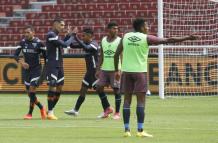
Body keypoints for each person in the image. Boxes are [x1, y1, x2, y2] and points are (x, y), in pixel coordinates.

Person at [114, 18, 199, 137]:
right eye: (146, 26)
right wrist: (188, 38)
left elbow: (116, 53)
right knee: (141, 102)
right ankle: (140, 130)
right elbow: (169, 40)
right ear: (141, 27)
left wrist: (116, 70)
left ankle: (127, 130)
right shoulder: (146, 38)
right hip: (140, 73)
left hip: (126, 72)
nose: (148, 28)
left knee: (127, 101)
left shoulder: (125, 36)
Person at [64, 27, 100, 116]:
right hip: (89, 71)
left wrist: (75, 37)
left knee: (99, 90)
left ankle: (108, 108)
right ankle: (75, 110)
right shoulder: (85, 43)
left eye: (84, 36)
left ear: (90, 36)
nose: (82, 37)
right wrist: (69, 35)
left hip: (95, 71)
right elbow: (72, 45)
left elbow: (87, 48)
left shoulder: (94, 44)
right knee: (83, 89)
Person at [14, 25, 47, 120]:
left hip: (37, 70)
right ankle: (41, 107)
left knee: (32, 89)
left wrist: (46, 72)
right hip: (26, 71)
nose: (26, 34)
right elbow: (15, 55)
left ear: (33, 33)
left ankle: (29, 113)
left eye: (28, 32)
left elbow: (46, 58)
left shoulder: (39, 43)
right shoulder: (22, 42)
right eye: (25, 32)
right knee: (30, 93)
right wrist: (22, 63)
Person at [46, 17, 75, 120]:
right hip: (52, 64)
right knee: (52, 86)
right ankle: (50, 113)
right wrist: (72, 35)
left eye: (64, 25)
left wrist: (68, 35)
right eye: (61, 25)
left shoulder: (56, 36)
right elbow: (65, 45)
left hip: (59, 64)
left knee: (59, 87)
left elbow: (62, 44)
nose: (63, 27)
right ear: (55, 24)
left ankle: (50, 109)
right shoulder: (50, 35)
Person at [95, 21, 122, 119]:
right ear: (108, 29)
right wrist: (98, 69)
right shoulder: (103, 40)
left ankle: (117, 113)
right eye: (114, 28)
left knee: (116, 90)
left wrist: (120, 70)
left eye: (117, 28)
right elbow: (101, 55)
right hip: (104, 69)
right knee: (98, 88)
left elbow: (122, 55)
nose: (116, 30)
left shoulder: (120, 40)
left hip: (115, 69)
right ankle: (107, 109)